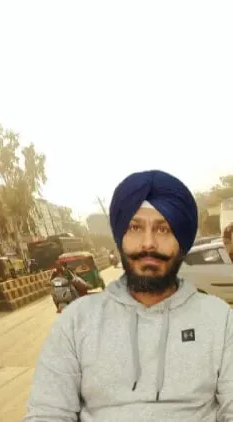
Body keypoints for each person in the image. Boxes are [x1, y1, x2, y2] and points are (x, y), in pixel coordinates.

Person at [25, 170, 233, 421]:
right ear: (120, 237)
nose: (148, 244)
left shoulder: (219, 319)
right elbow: (48, 413)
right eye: (135, 227)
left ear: (182, 242)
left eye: (163, 229)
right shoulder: (76, 321)